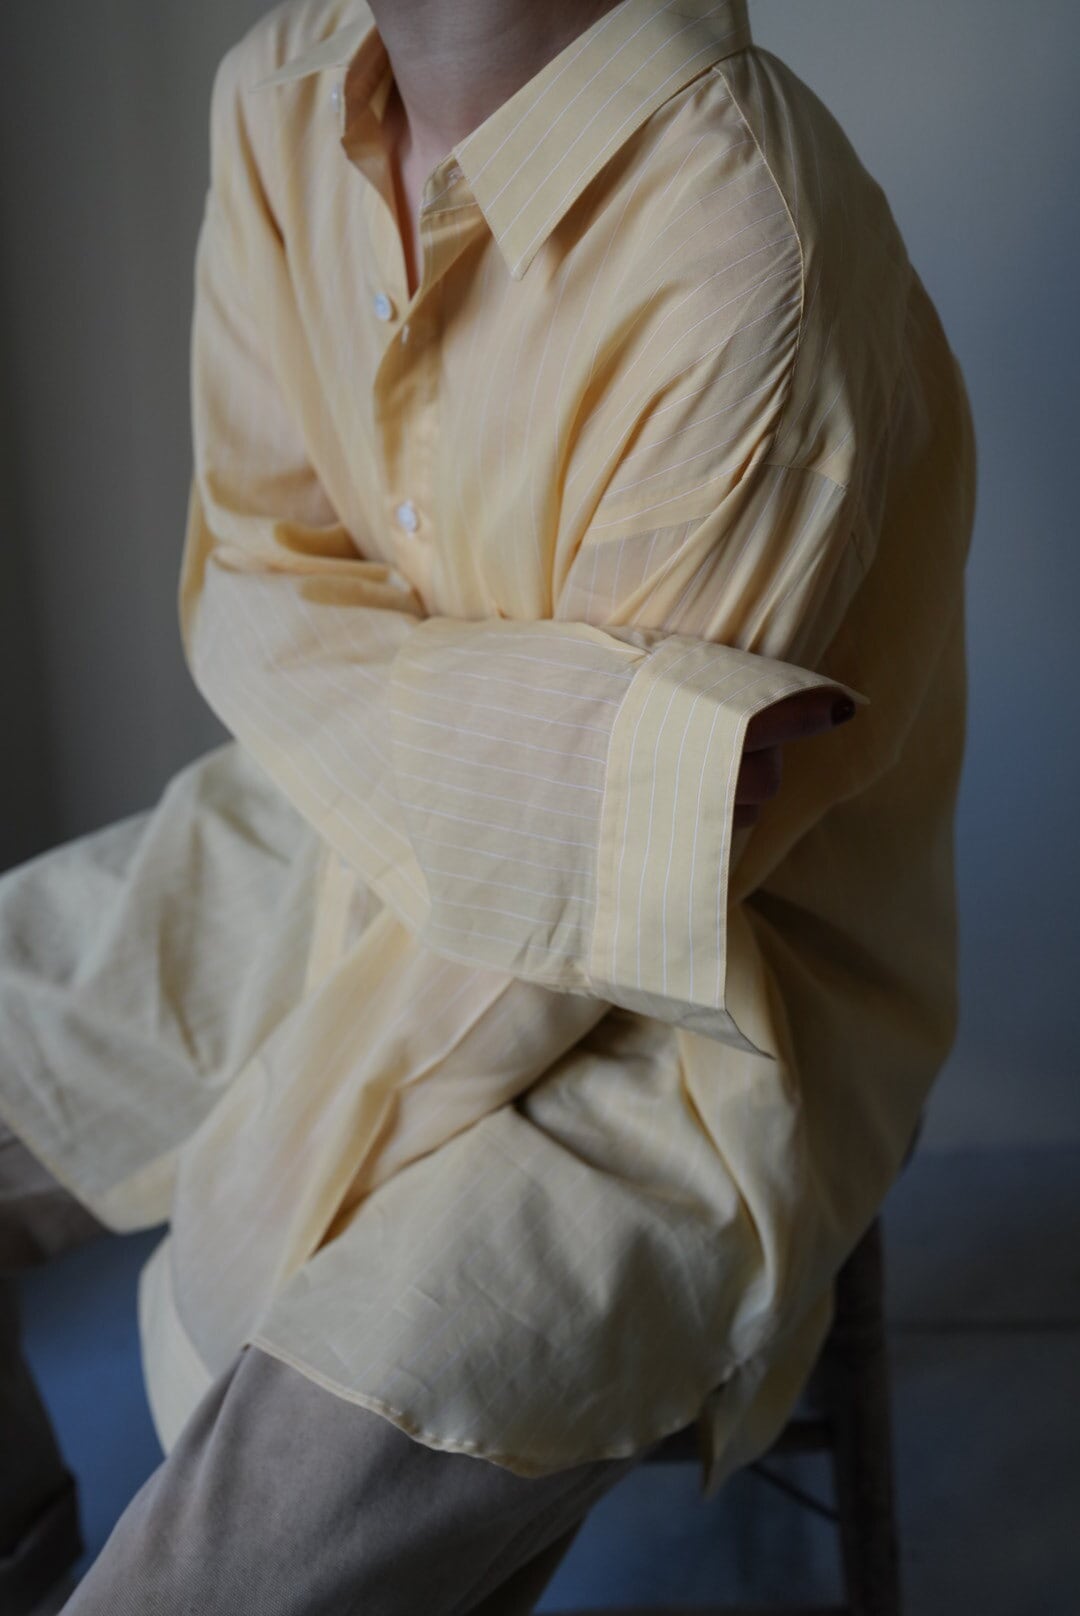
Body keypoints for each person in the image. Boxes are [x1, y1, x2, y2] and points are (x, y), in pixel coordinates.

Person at [0, 0, 976, 1610]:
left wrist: (250, 1212)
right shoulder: (278, 95)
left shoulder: (745, 238)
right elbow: (253, 580)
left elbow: (604, 914)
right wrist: (597, 762)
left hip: (688, 1012)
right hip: (324, 836)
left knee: (221, 1561)